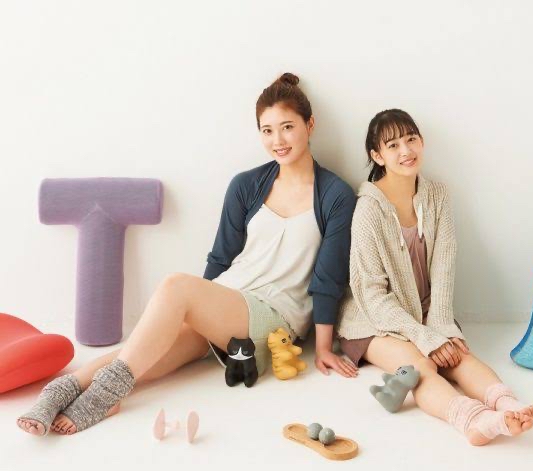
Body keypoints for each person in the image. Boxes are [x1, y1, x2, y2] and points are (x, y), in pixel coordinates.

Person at [17, 73, 357, 436]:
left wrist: (323, 347)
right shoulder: (246, 184)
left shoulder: (335, 195)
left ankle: (105, 394)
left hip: (275, 316)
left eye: (287, 127)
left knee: (176, 286)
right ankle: (63, 389)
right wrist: (197, 313)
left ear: (310, 124)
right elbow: (222, 257)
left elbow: (328, 278)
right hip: (230, 302)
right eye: (267, 130)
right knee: (146, 352)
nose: (278, 141)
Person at [336, 109, 533, 446]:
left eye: (411, 139)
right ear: (378, 156)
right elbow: (371, 295)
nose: (406, 151)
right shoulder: (368, 210)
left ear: (422, 141)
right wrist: (425, 338)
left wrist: (442, 326)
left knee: (458, 355)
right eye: (393, 145)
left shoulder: (437, 195)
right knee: (420, 366)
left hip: (425, 310)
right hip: (372, 321)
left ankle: (509, 407)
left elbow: (444, 265)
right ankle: (474, 422)